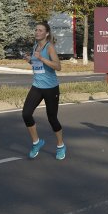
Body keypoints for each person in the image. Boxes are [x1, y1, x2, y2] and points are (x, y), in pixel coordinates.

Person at [22, 22, 65, 160]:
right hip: (37, 86)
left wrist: (41, 58)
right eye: (36, 30)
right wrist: (30, 60)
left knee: (52, 118)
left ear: (46, 33)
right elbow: (38, 64)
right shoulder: (35, 46)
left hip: (51, 88)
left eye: (40, 30)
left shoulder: (49, 47)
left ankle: (60, 145)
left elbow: (58, 66)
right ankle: (36, 143)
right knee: (26, 114)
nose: (37, 32)